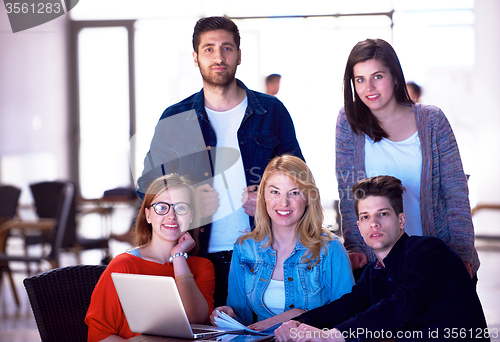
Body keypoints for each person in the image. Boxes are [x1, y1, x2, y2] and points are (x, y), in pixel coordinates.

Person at [136, 16, 304, 308]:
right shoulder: (175, 118)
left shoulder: (272, 112)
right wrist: (188, 201)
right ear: (195, 57)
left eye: (227, 48)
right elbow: (148, 188)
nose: (218, 56)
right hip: (196, 256)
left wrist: (267, 201)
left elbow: (300, 182)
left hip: (265, 253)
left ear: (239, 55)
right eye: (209, 49)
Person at [274, 176, 489, 342]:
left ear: (401, 220)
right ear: (359, 227)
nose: (374, 223)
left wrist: (335, 335)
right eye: (365, 217)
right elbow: (347, 306)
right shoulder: (373, 274)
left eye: (383, 213)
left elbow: (402, 305)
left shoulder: (429, 251)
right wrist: (299, 322)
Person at [335, 38, 479, 280]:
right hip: (380, 265)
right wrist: (355, 247)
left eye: (377, 76)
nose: (369, 87)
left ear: (395, 76)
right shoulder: (349, 124)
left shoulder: (432, 120)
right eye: (360, 79)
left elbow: (455, 192)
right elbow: (349, 193)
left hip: (436, 258)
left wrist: (463, 252)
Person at [210, 155, 354, 331]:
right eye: (274, 192)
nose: (283, 203)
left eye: (294, 192)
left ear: (308, 197)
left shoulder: (330, 248)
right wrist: (227, 314)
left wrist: (299, 317)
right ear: (264, 196)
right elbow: (243, 320)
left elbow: (347, 313)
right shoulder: (244, 249)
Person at [86, 174, 215, 341]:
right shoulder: (124, 265)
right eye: (161, 207)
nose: (171, 215)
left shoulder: (203, 267)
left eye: (181, 208)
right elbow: (98, 335)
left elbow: (196, 319)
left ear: (191, 217)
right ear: (148, 215)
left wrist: (178, 257)